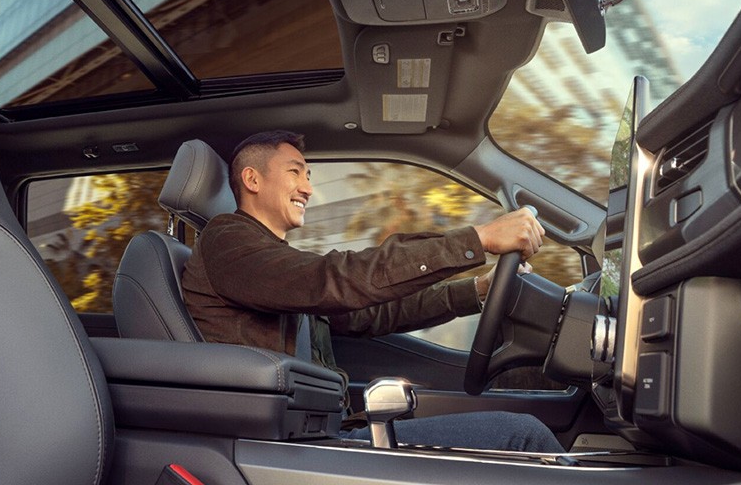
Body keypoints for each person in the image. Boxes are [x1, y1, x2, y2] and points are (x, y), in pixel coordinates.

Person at [182, 130, 564, 453]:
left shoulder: (271, 260)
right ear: (252, 180)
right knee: (522, 437)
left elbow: (374, 313)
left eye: (309, 175)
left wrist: (477, 291)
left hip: (320, 432)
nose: (309, 188)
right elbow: (334, 279)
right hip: (287, 446)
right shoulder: (226, 241)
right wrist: (477, 240)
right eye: (295, 172)